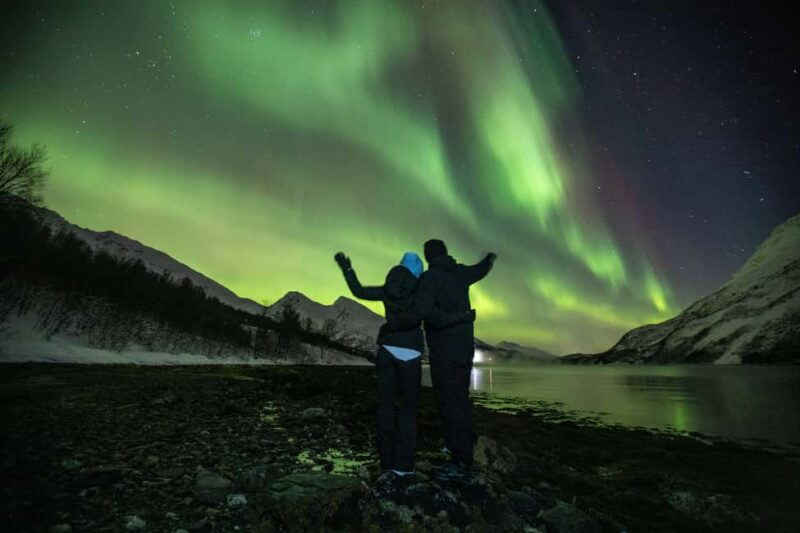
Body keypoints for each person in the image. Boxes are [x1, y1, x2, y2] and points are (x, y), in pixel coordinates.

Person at [334, 251, 475, 483]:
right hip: (410, 354)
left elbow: (358, 291)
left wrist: (347, 269)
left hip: (387, 351)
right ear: (418, 274)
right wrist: (464, 316)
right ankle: (403, 467)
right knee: (408, 410)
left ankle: (387, 464)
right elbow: (439, 319)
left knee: (385, 408)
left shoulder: (387, 288)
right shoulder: (421, 294)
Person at [409, 239, 496, 482]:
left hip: (444, 353)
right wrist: (489, 259)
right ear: (445, 253)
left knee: (449, 404)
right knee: (461, 399)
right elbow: (480, 269)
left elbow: (429, 314)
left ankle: (460, 461)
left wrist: (455, 318)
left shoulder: (429, 279)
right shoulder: (460, 272)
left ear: (428, 256)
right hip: (465, 349)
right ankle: (461, 447)